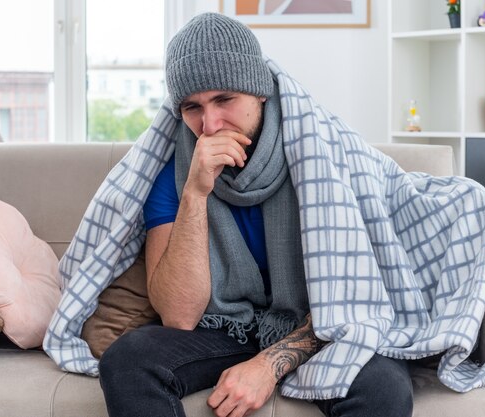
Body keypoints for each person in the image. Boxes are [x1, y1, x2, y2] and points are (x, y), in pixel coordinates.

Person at [98, 12, 413, 417]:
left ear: (259, 92)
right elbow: (177, 317)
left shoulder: (319, 155)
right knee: (128, 358)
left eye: (224, 100)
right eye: (192, 107)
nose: (209, 124)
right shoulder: (174, 170)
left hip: (319, 325)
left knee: (383, 385)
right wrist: (195, 193)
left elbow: (355, 298)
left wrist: (268, 365)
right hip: (225, 327)